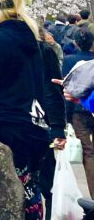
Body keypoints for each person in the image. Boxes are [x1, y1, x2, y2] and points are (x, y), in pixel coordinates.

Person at [0, 0, 56, 218]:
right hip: (35, 123)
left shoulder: (2, 36)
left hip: (10, 124)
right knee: (29, 190)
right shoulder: (28, 34)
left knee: (11, 192)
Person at [36, 27, 67, 213]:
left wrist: (57, 128)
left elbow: (53, 91)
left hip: (42, 122)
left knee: (47, 182)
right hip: (30, 122)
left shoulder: (44, 52)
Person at [62, 28, 94, 193]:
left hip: (77, 110)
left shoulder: (69, 61)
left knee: (88, 152)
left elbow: (67, 89)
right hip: (90, 105)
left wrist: (66, 118)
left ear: (75, 43)